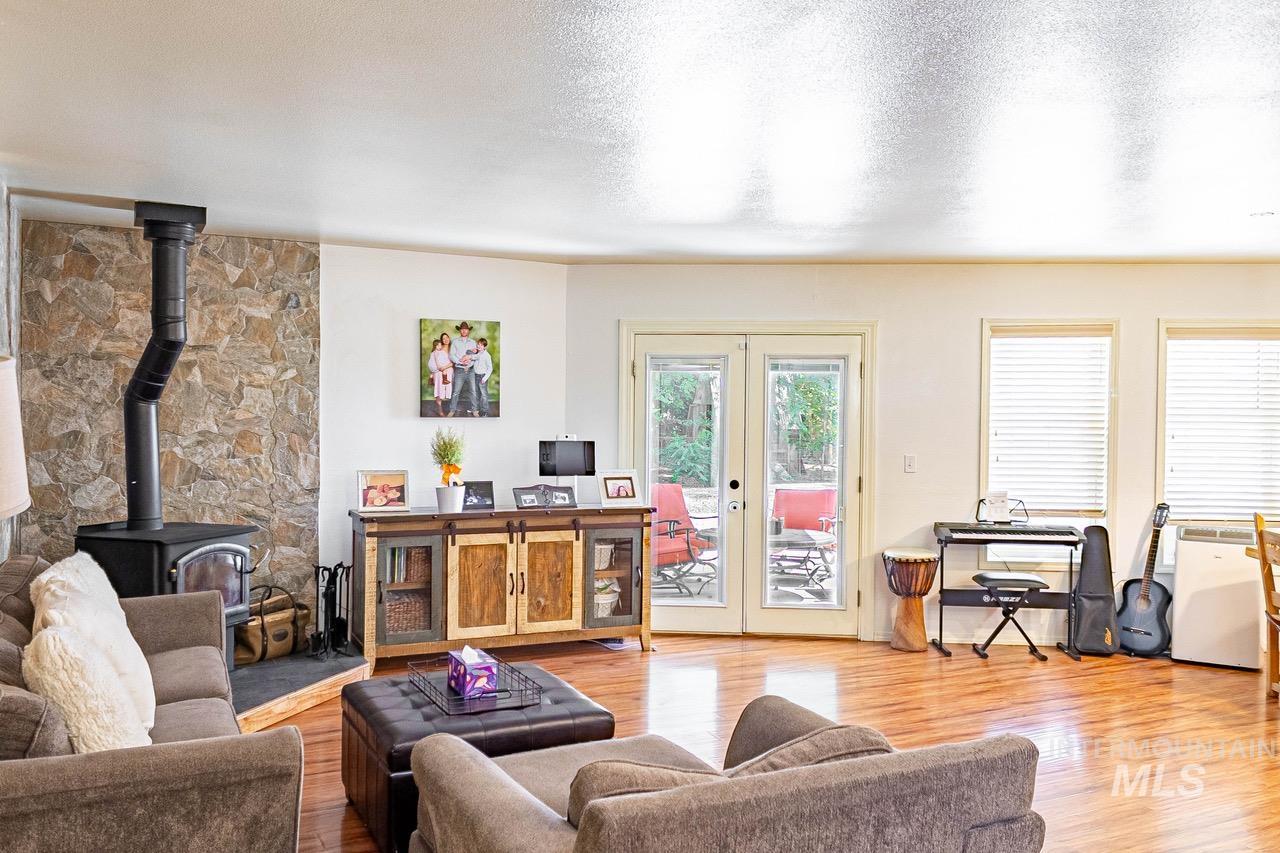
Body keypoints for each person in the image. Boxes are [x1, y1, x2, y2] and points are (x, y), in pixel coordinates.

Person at [447, 322, 480, 417]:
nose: (464, 330)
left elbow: (477, 356)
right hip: (459, 370)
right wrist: (461, 362)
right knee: (456, 391)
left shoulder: (473, 342)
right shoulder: (455, 342)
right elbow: (451, 355)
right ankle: (452, 410)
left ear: (468, 330)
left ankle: (475, 410)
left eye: (466, 329)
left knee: (473, 391)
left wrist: (469, 358)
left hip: (470, 370)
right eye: (462, 329)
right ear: (460, 330)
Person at [427, 336, 453, 416]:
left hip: (448, 372)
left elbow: (452, 362)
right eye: (443, 339)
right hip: (439, 372)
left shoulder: (452, 349)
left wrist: (445, 367)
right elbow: (434, 362)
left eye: (447, 338)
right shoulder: (437, 352)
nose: (445, 340)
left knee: (448, 391)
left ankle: (451, 410)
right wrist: (436, 369)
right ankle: (439, 410)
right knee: (439, 390)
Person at [473, 337, 493, 417]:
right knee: (476, 394)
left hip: (482, 377)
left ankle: (484, 411)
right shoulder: (477, 354)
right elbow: (473, 361)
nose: (479, 346)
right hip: (476, 376)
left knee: (484, 395)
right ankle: (476, 409)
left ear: (484, 347)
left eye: (481, 345)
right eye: (478, 344)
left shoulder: (487, 355)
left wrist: (484, 378)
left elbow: (490, 368)